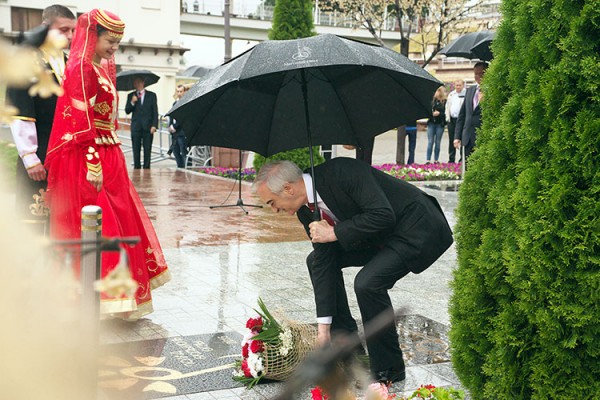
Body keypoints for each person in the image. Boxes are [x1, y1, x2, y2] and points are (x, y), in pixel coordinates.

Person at [252, 158, 453, 384]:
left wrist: (334, 233)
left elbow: (383, 214)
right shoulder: (306, 212)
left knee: (368, 283)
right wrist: (323, 330)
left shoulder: (343, 171)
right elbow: (324, 260)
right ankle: (348, 349)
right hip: (377, 237)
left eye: (271, 202)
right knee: (316, 261)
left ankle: (390, 369)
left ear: (288, 188)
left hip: (415, 227)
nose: (274, 210)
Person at [45, 9, 171, 320]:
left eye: (118, 41)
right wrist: (92, 161)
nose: (114, 47)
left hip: (110, 152)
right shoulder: (81, 69)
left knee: (120, 219)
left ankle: (119, 299)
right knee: (100, 225)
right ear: (93, 36)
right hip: (91, 157)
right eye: (110, 40)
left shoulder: (101, 70)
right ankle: (100, 299)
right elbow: (79, 121)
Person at [7, 4, 76, 229]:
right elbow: (20, 108)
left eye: (72, 30)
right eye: (64, 30)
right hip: (39, 155)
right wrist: (29, 156)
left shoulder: (68, 62)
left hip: (65, 157)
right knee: (33, 223)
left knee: (60, 225)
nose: (70, 36)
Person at [454, 62, 488, 168]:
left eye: (481, 74)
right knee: (469, 168)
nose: (478, 77)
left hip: (482, 136)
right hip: (467, 137)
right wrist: (457, 136)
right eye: (476, 74)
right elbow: (462, 115)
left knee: (481, 168)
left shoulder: (492, 91)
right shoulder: (470, 90)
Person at [125, 76, 159, 169]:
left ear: (143, 83)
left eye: (139, 82)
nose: (137, 85)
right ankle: (137, 168)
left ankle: (147, 169)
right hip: (136, 127)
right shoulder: (131, 95)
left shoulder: (152, 95)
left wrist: (154, 125)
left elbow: (155, 111)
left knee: (147, 149)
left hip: (148, 127)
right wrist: (132, 102)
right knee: (136, 149)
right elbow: (127, 110)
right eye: (135, 83)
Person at [445, 79, 465, 163]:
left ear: (463, 85)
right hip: (452, 120)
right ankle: (451, 158)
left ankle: (461, 158)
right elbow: (447, 106)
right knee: (451, 139)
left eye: (459, 85)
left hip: (461, 120)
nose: (458, 87)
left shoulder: (466, 94)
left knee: (461, 139)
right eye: (456, 85)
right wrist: (447, 117)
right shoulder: (451, 94)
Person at [168, 84, 188, 168]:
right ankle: (180, 169)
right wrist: (170, 126)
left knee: (184, 153)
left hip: (182, 133)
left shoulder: (186, 102)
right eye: (178, 91)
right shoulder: (174, 103)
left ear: (184, 92)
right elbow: (171, 116)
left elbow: (183, 117)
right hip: (174, 133)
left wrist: (174, 126)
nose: (179, 93)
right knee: (176, 153)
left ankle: (187, 169)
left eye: (181, 91)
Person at [426, 86, 446, 164]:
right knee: (430, 141)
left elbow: (445, 113)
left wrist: (439, 114)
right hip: (431, 123)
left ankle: (436, 159)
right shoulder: (432, 102)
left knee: (437, 142)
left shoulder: (444, 102)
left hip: (440, 124)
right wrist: (432, 114)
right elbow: (428, 111)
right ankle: (428, 159)